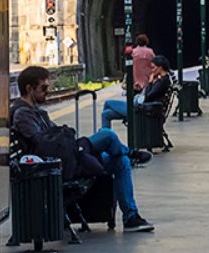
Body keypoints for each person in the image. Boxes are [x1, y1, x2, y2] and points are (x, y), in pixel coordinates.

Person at [11, 65, 154, 232]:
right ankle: (131, 154)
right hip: (57, 165)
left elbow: (50, 138)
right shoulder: (22, 114)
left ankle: (131, 217)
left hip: (67, 158)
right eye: (43, 88)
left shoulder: (35, 111)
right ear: (29, 89)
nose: (47, 92)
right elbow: (43, 145)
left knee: (120, 162)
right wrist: (65, 137)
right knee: (107, 135)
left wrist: (64, 137)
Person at [103, 54, 173, 127]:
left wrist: (150, 83)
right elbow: (150, 94)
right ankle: (105, 136)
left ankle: (105, 135)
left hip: (141, 111)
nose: (152, 70)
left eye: (153, 67)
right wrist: (139, 90)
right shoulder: (161, 80)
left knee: (108, 103)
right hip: (144, 109)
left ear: (160, 67)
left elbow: (148, 96)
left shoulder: (162, 82)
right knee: (106, 114)